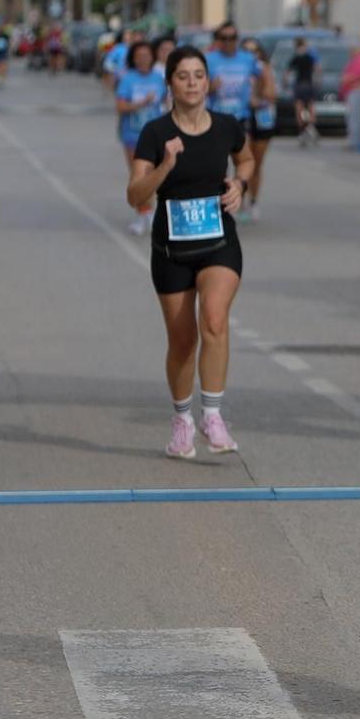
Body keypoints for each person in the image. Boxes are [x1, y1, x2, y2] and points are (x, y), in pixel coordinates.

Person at [127, 45, 256, 459]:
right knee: (182, 341)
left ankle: (213, 416)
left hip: (219, 242)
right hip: (171, 249)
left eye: (199, 75)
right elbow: (135, 195)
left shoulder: (226, 126)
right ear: (170, 84)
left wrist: (240, 184)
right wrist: (164, 166)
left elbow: (247, 159)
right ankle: (183, 419)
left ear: (207, 80)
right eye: (183, 76)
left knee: (215, 321)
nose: (192, 83)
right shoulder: (154, 133)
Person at [115, 40, 169, 235]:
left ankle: (151, 212)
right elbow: (121, 106)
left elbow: (166, 102)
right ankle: (142, 215)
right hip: (132, 134)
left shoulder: (159, 78)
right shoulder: (127, 79)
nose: (143, 60)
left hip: (155, 135)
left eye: (147, 56)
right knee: (138, 176)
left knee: (154, 175)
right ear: (134, 59)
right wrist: (140, 103)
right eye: (139, 56)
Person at [241, 38, 278, 219]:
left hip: (262, 119)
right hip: (243, 118)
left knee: (257, 162)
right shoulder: (238, 68)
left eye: (254, 51)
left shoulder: (264, 69)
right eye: (247, 50)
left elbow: (272, 94)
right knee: (242, 160)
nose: (251, 54)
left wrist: (259, 86)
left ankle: (253, 200)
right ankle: (239, 200)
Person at [287, 37, 320, 145]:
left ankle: (302, 131)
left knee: (299, 108)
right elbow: (317, 68)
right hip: (309, 84)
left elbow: (288, 72)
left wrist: (285, 83)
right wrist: (318, 81)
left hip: (299, 84)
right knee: (311, 106)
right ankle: (311, 127)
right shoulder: (310, 56)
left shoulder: (296, 57)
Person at [340, 38, 360, 149]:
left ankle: (356, 142)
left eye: (352, 49)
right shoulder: (355, 59)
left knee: (355, 118)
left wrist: (347, 79)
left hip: (357, 91)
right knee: (352, 117)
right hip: (352, 91)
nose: (351, 51)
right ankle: (354, 140)